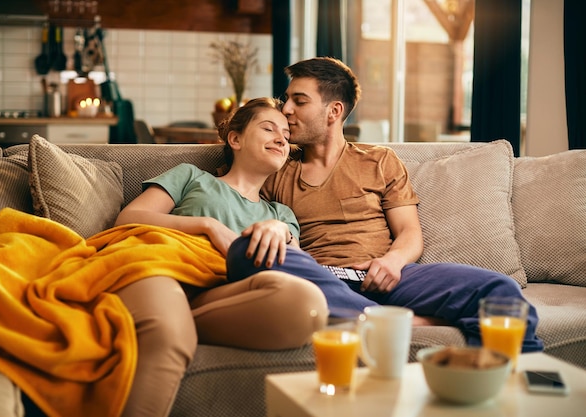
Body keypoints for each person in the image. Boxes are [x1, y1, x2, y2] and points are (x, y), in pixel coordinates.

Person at [245, 57, 543, 352]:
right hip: (321, 279)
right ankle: (400, 321)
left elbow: (410, 233)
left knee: (500, 290)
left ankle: (517, 382)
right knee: (263, 262)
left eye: (299, 101)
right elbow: (238, 205)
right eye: (287, 100)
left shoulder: (379, 161)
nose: (286, 109)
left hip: (389, 276)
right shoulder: (276, 168)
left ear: (333, 111)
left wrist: (392, 262)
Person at [113, 97, 340, 417]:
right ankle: (167, 322)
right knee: (168, 337)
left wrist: (278, 229)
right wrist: (207, 226)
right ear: (235, 138)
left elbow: (300, 269)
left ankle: (173, 319)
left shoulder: (280, 214)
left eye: (286, 136)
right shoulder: (192, 177)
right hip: (161, 269)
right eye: (268, 128)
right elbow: (129, 218)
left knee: (306, 303)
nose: (281, 138)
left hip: (219, 293)